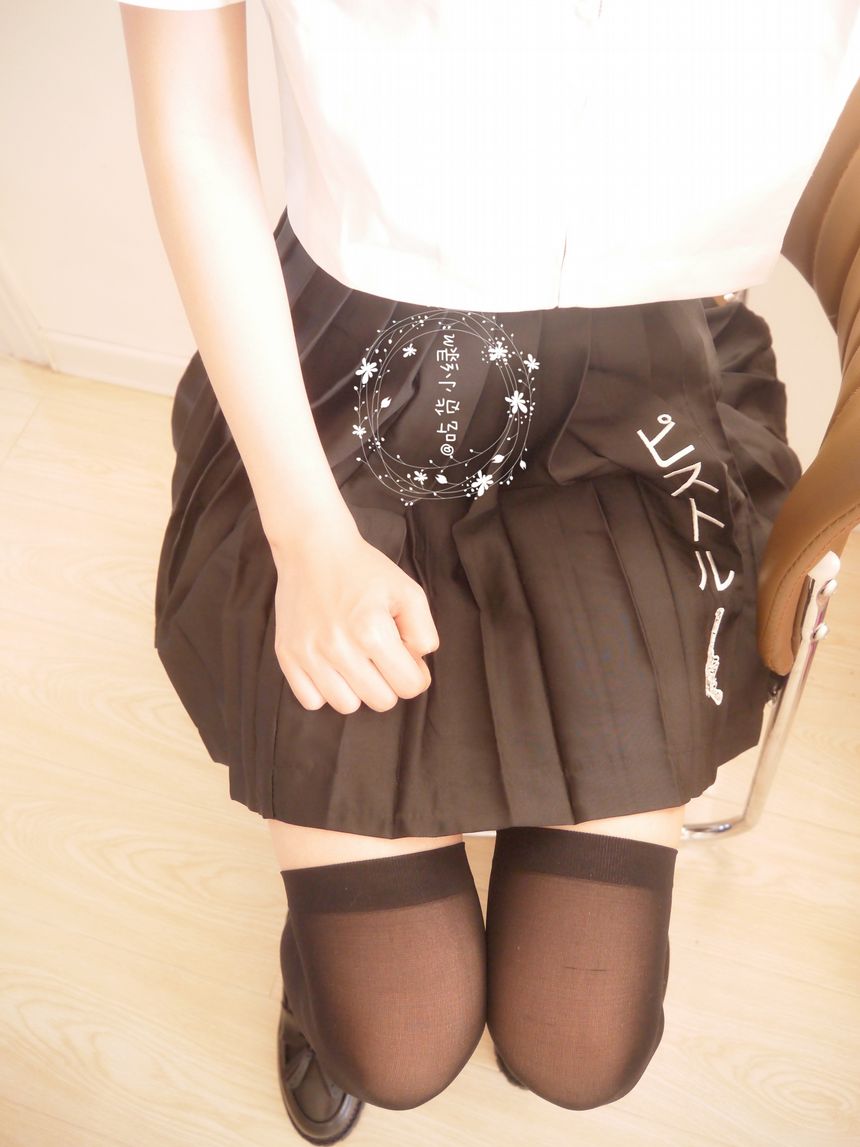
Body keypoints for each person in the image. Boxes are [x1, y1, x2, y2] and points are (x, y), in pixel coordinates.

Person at [116, 1, 860, 1141]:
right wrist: (307, 534)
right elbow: (193, 120)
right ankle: (320, 946)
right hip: (364, 352)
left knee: (580, 1043)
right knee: (397, 1039)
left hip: (646, 372)